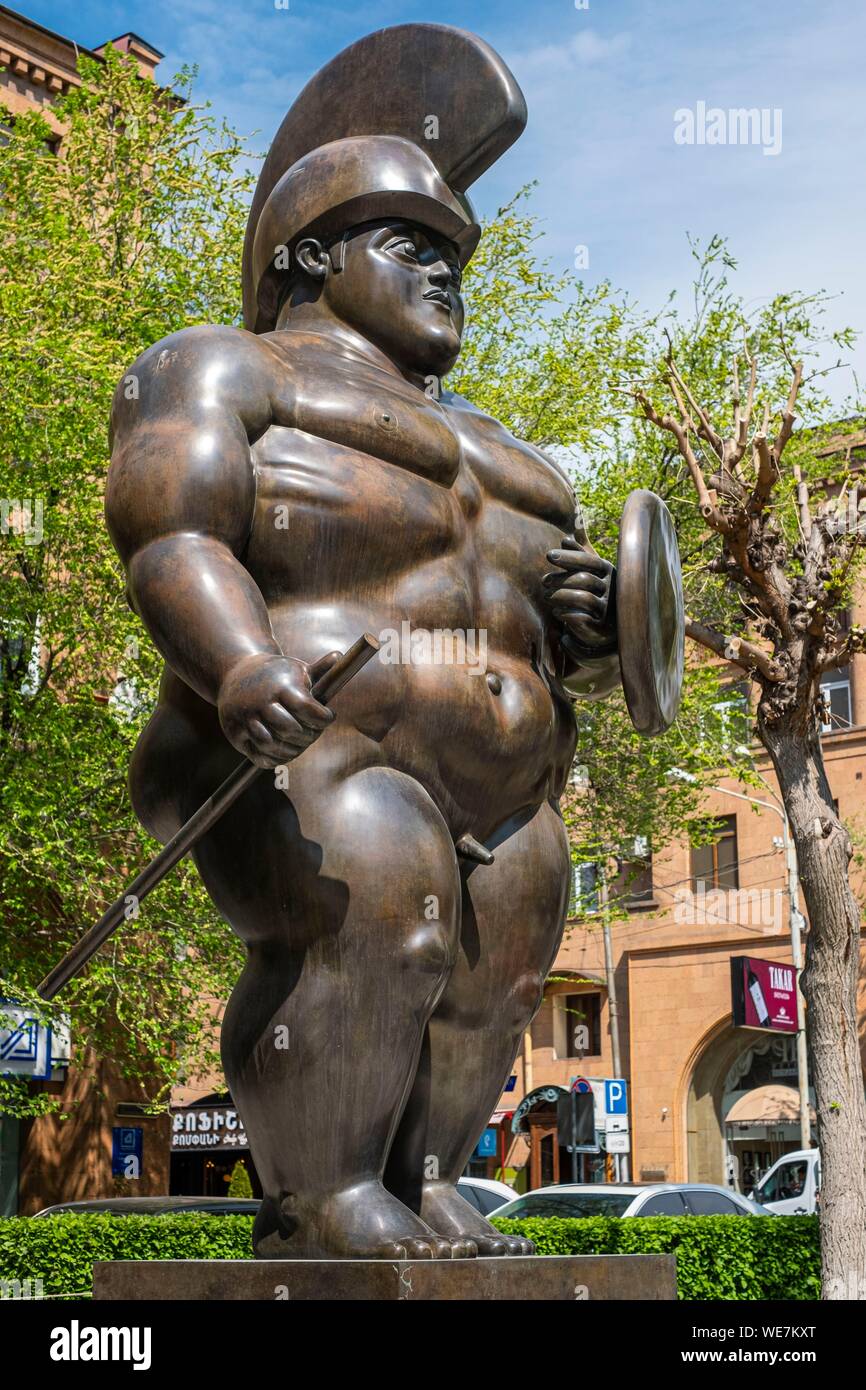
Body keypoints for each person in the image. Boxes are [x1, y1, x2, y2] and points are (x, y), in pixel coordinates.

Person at [106, 24, 621, 1260]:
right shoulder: (227, 370)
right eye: (412, 247)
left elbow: (572, 645)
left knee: (504, 949)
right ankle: (322, 1192)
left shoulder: (514, 460)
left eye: (456, 256)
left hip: (497, 788)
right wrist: (235, 658)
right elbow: (171, 534)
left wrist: (595, 631)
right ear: (308, 258)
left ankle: (431, 1173)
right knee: (386, 896)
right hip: (294, 751)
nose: (446, 275)